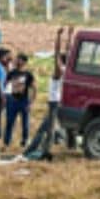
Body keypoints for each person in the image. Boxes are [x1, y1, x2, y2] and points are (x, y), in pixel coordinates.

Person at [27, 27, 70, 160]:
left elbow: (63, 52)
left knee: (48, 127)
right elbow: (62, 52)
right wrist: (64, 36)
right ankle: (47, 149)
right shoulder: (63, 71)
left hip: (57, 102)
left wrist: (64, 36)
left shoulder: (62, 70)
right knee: (53, 128)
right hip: (57, 102)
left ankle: (40, 149)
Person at [4, 53, 35, 149]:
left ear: (24, 62)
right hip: (13, 100)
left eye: (19, 59)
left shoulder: (28, 74)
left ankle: (25, 141)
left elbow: (34, 88)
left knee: (25, 123)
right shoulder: (12, 73)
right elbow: (5, 83)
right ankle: (7, 142)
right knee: (9, 122)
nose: (16, 61)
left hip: (24, 101)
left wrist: (31, 102)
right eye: (16, 59)